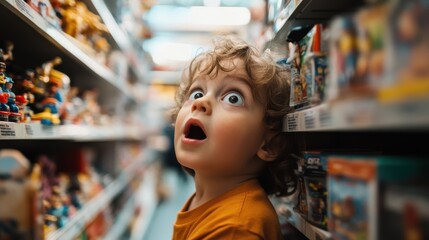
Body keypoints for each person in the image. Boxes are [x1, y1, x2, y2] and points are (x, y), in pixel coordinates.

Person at [171, 35, 297, 239]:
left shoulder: (235, 228)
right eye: (196, 93)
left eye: (233, 98)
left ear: (269, 145)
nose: (201, 102)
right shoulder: (209, 201)